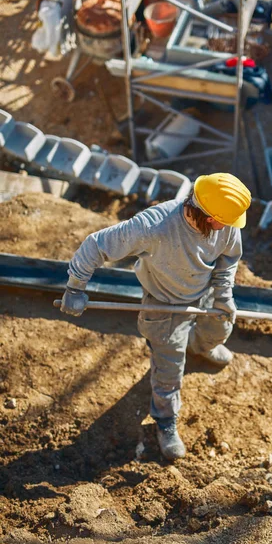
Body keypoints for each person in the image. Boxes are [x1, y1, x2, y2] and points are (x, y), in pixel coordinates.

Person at [60, 172, 251, 461]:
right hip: (164, 306)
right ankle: (164, 422)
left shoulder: (226, 222)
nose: (230, 227)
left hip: (207, 292)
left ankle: (202, 346)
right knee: (168, 371)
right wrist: (75, 287)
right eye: (225, 223)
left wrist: (224, 295)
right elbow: (96, 245)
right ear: (210, 217)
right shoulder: (154, 226)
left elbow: (228, 260)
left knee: (220, 328)